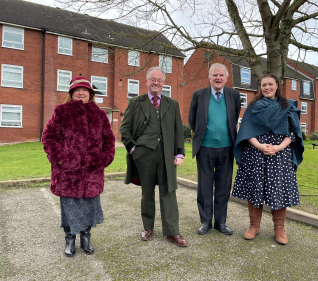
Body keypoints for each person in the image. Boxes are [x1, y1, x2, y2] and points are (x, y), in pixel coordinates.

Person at [41, 76, 116, 257]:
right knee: (70, 207)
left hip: (92, 172)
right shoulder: (61, 112)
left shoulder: (99, 114)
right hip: (68, 173)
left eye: (85, 90)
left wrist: (103, 159)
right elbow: (48, 137)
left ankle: (86, 237)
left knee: (90, 206)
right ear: (71, 93)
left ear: (90, 94)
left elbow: (109, 140)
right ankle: (70, 238)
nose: (81, 93)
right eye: (77, 90)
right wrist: (60, 159)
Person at [119, 66, 188, 247]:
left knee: (169, 192)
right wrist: (133, 149)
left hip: (167, 155)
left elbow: (178, 130)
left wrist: (179, 152)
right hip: (144, 155)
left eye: (159, 80)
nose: (156, 83)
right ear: (147, 81)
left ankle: (172, 232)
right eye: (153, 79)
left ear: (163, 83)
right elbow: (124, 129)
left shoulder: (173, 103)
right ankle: (148, 227)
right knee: (147, 193)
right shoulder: (135, 102)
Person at [232, 73, 304, 245]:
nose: (267, 88)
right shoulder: (253, 107)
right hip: (256, 153)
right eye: (264, 85)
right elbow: (246, 131)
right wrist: (260, 146)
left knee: (278, 189)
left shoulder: (287, 106)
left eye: (270, 84)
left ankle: (279, 229)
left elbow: (294, 133)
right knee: (255, 188)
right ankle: (253, 226)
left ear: (277, 85)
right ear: (260, 87)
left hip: (280, 155)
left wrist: (278, 147)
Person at [188, 63, 241, 235]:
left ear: (226, 78)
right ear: (209, 77)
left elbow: (235, 116)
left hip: (227, 148)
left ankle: (220, 222)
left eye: (221, 75)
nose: (218, 78)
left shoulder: (234, 95)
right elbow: (192, 119)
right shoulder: (199, 95)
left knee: (223, 187)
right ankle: (205, 222)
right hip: (205, 148)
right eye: (214, 75)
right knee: (204, 187)